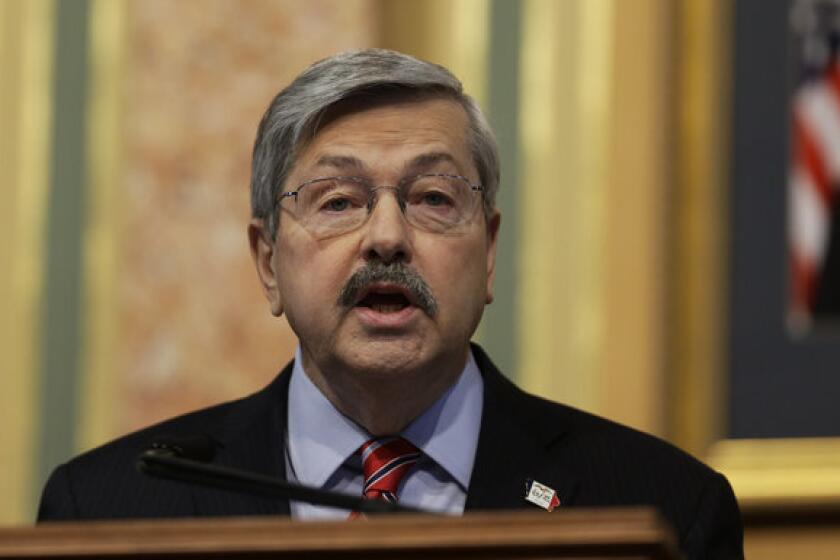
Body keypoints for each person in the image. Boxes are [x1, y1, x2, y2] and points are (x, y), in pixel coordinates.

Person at [38, 49, 743, 559]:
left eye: (433, 199)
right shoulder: (108, 511)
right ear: (268, 262)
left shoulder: (665, 512)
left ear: (489, 251)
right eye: (338, 201)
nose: (386, 238)